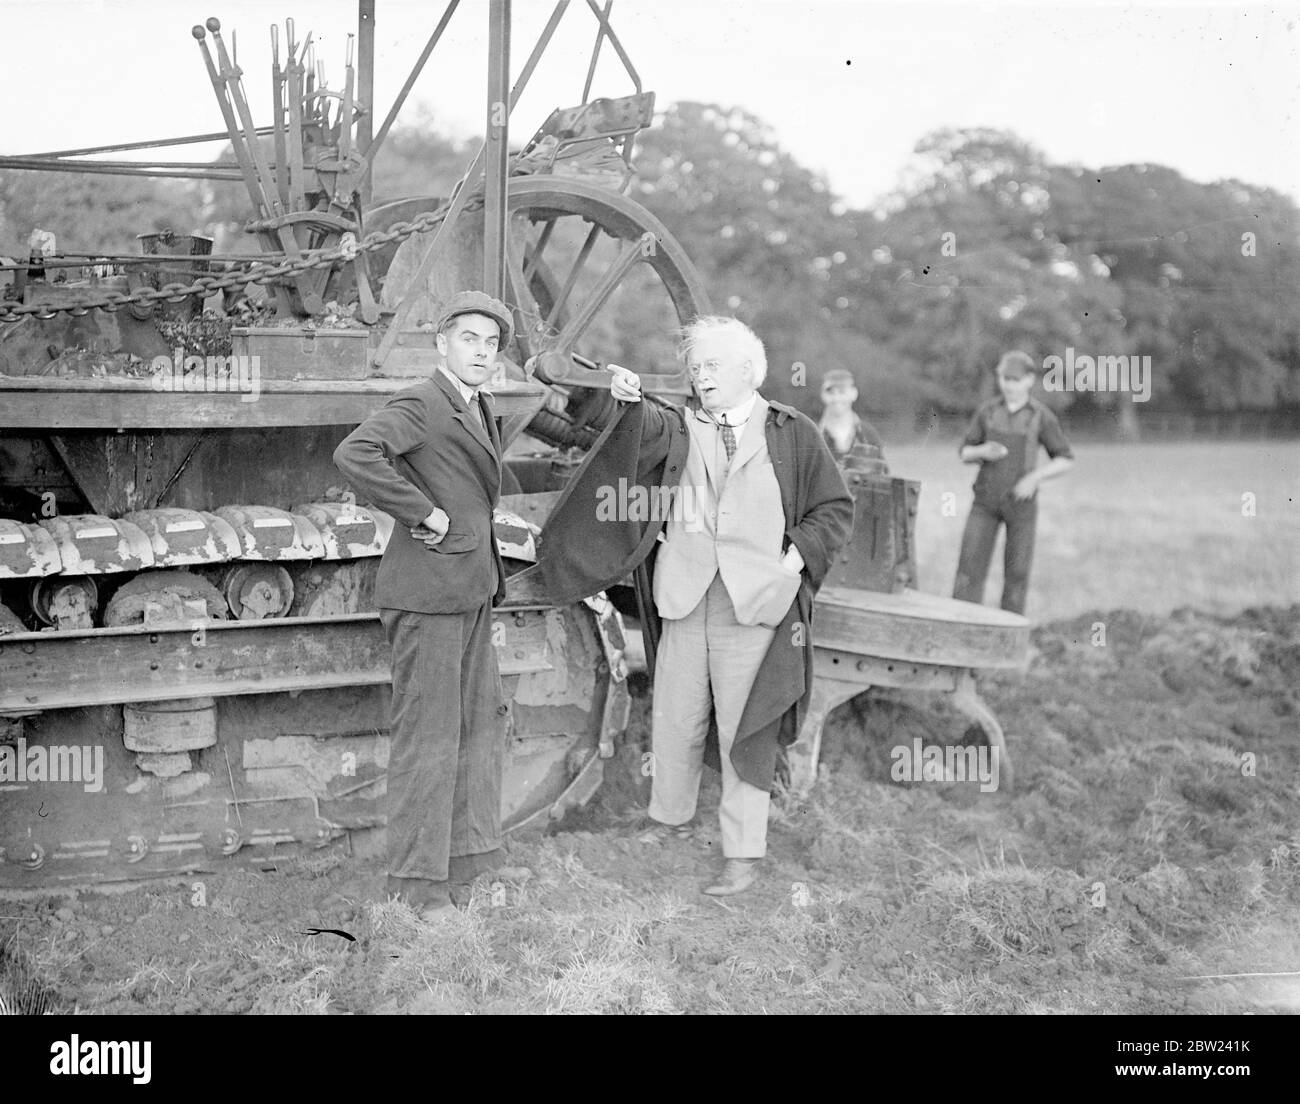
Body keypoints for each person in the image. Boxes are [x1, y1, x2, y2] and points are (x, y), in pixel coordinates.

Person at [538, 317, 853, 896]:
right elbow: (639, 425)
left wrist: (790, 563)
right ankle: (668, 821)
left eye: (713, 366)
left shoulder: (792, 432)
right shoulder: (679, 425)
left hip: (753, 607)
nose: (701, 376)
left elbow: (833, 510)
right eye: (696, 367)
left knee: (745, 731)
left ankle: (743, 854)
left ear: (747, 371)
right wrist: (623, 396)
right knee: (675, 722)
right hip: (684, 597)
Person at [333, 290, 513, 920]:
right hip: (429, 594)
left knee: (473, 730)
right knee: (430, 739)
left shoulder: (476, 404)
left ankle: (465, 864)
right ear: (442, 343)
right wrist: (423, 512)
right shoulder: (425, 401)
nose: (482, 352)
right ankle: (417, 885)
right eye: (469, 339)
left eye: (491, 344)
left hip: (469, 586)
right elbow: (356, 452)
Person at [952, 350, 1074, 615]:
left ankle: (1008, 638)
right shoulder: (987, 411)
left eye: (1015, 380)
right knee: (968, 570)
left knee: (1017, 574)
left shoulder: (1041, 416)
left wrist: (1034, 477)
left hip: (1021, 505)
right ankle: (961, 629)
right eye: (1004, 379)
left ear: (1030, 380)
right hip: (984, 502)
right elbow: (964, 452)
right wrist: (982, 451)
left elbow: (1065, 459)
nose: (1008, 385)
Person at [818, 368, 886, 461]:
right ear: (823, 395)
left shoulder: (868, 435)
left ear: (854, 394)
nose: (836, 398)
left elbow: (881, 473)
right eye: (831, 392)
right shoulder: (813, 435)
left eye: (842, 392)